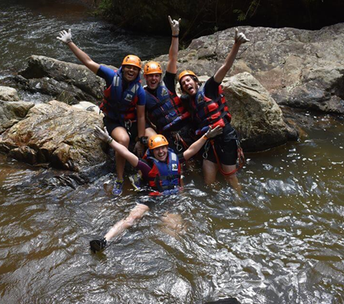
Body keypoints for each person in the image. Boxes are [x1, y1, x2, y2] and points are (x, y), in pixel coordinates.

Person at [89, 125, 223, 252]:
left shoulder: (175, 159)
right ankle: (104, 240)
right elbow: (125, 152)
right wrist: (109, 140)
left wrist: (206, 136)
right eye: (157, 149)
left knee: (177, 231)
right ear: (152, 151)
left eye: (163, 148)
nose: (161, 152)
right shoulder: (146, 165)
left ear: (167, 148)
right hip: (151, 196)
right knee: (132, 218)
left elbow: (192, 150)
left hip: (171, 198)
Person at [57, 29, 146, 196]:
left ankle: (141, 176)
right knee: (124, 139)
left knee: (149, 140)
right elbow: (88, 62)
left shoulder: (139, 91)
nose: (131, 71)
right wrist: (70, 43)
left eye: (134, 69)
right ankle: (120, 178)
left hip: (130, 121)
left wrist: (141, 140)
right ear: (123, 68)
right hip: (113, 120)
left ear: (138, 72)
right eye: (128, 68)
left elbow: (141, 116)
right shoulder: (111, 76)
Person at [177, 28, 250, 193]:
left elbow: (225, 67)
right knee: (209, 182)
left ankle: (239, 200)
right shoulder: (189, 102)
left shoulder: (209, 88)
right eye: (183, 84)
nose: (187, 84)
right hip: (209, 141)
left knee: (230, 176)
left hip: (225, 137)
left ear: (196, 82)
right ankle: (217, 205)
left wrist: (236, 44)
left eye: (188, 81)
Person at [143, 16, 193, 153]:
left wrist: (175, 34)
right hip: (168, 135)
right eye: (150, 76)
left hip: (187, 126)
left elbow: (173, 57)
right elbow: (142, 119)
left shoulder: (167, 83)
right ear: (145, 77)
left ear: (160, 76)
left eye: (156, 76)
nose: (153, 79)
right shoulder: (142, 95)